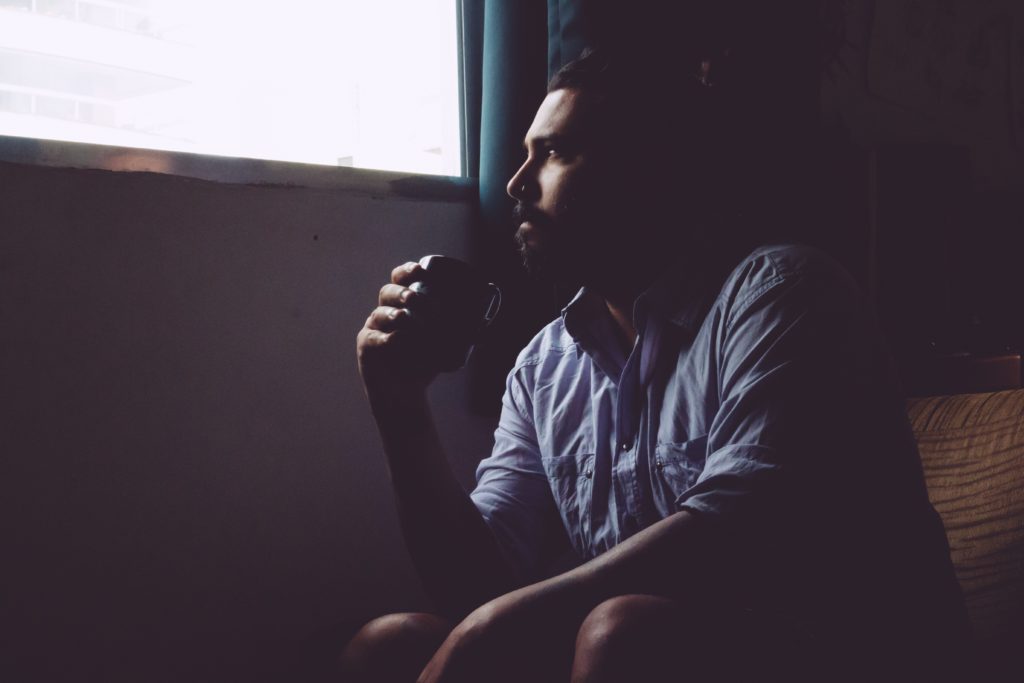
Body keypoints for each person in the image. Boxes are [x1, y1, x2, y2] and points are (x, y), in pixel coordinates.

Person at [344, 48, 970, 683]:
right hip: (661, 649)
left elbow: (728, 545)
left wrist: (491, 627)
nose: (516, 182)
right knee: (391, 643)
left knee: (622, 634)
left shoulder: (785, 295)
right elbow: (473, 584)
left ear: (647, 171)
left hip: (849, 654)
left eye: (555, 152)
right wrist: (398, 406)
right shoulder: (543, 369)